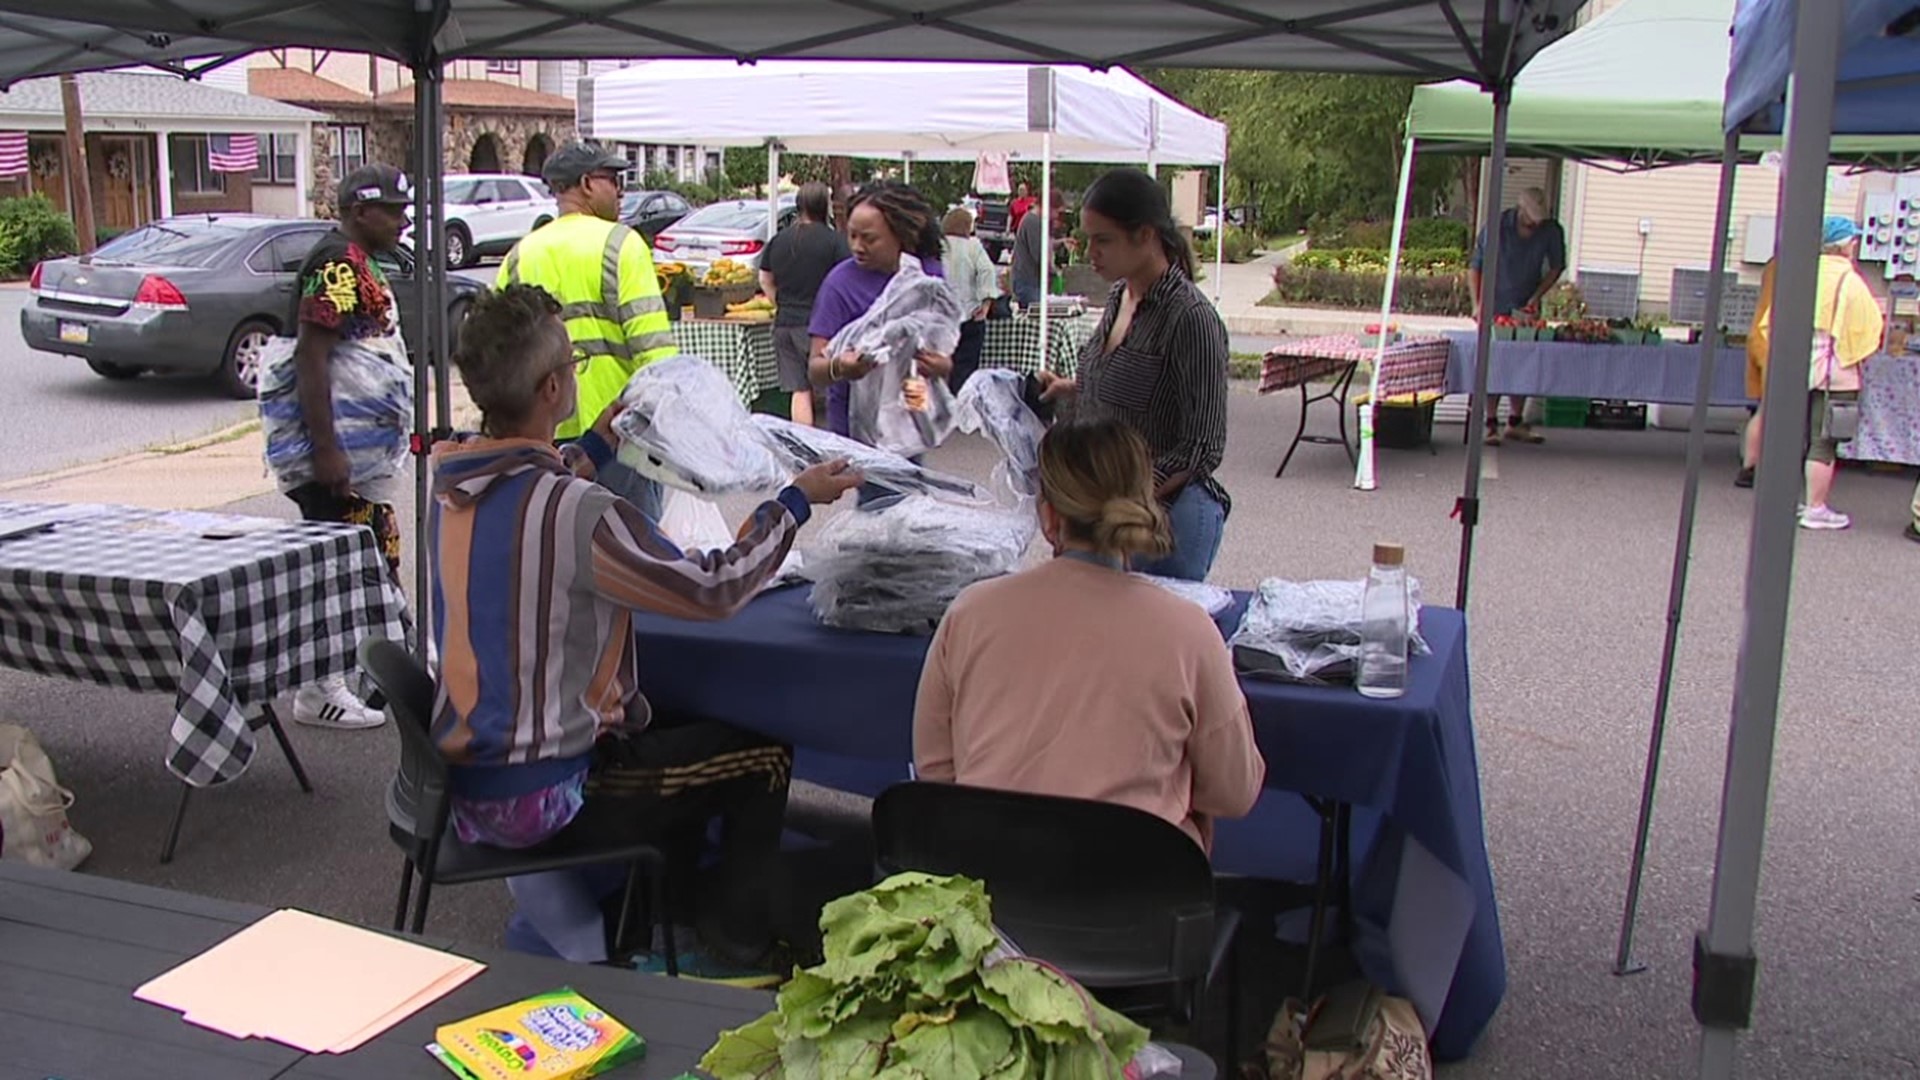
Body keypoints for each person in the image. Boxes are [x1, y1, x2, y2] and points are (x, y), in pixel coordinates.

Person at [430, 284, 861, 973]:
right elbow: (714, 588)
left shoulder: (451, 486)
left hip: (463, 781)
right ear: (551, 388)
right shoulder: (580, 513)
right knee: (762, 752)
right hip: (545, 796)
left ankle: (664, 905)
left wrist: (598, 444)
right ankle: (738, 941)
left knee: (676, 714)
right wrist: (793, 503)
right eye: (570, 363)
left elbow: (530, 481)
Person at [914, 417, 1263, 852]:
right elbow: (1234, 791)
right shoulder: (1190, 632)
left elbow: (936, 771)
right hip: (1137, 898)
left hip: (990, 893)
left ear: (1048, 517)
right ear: (1145, 506)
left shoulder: (971, 612)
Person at [1036, 167, 1230, 583]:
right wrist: (1068, 389)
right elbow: (1117, 388)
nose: (1091, 252)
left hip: (1163, 524)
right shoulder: (1120, 296)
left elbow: (1202, 447)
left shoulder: (1190, 318)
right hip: (1103, 516)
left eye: (1103, 239)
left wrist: (1119, 503)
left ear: (1145, 235)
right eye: (1088, 238)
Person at [273, 163, 414, 729]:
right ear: (360, 211)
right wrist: (326, 448)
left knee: (372, 556)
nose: (404, 222)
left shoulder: (359, 262)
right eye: (394, 211)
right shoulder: (337, 264)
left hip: (364, 450)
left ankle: (383, 661)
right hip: (338, 455)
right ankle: (318, 687)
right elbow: (312, 355)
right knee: (336, 568)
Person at [500, 142, 677, 522]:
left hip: (546, 431)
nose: (621, 191)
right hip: (620, 431)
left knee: (563, 554)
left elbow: (499, 350)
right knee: (637, 558)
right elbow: (655, 353)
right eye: (613, 180)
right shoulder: (621, 243)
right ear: (585, 184)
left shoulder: (520, 254)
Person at [1739, 216, 1884, 530]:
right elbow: (1869, 326)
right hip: (1837, 371)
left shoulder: (1800, 274)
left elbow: (1772, 319)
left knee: (1786, 432)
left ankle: (1779, 499)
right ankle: (1816, 507)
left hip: (1795, 366)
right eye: (1852, 239)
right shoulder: (1850, 280)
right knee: (1823, 440)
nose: (1856, 244)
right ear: (1844, 244)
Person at [808, 179, 953, 440]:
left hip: (909, 419)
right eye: (852, 235)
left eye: (869, 238)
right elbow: (815, 369)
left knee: (910, 480)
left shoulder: (928, 277)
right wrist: (840, 367)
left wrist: (941, 365)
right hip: (856, 428)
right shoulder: (840, 284)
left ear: (902, 236)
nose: (856, 246)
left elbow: (943, 350)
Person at [1469, 186, 1566, 446]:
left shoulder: (1551, 230)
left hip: (1527, 303)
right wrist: (1478, 303)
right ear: (1520, 210)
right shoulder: (1498, 226)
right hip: (1495, 302)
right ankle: (1491, 423)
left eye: (1539, 221)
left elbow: (1557, 265)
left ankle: (1515, 421)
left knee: (1523, 360)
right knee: (1495, 361)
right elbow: (1476, 265)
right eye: (1530, 219)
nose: (1534, 225)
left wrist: (1537, 296)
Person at [759, 181, 849, 428]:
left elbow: (765, 278)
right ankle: (836, 443)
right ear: (825, 206)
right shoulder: (835, 242)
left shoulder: (778, 240)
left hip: (784, 324)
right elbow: (847, 279)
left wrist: (779, 301)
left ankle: (804, 443)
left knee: (799, 390)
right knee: (833, 389)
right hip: (820, 327)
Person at [940, 206, 999, 392]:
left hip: (942, 318)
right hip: (970, 315)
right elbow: (987, 270)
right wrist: (986, 302)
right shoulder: (973, 246)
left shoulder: (938, 245)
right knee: (964, 371)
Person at [1011, 189, 1073, 307]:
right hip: (1028, 283)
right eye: (1056, 211)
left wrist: (1061, 242)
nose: (1056, 216)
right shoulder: (1033, 223)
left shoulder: (1038, 222)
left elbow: (1045, 244)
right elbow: (1040, 255)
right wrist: (1056, 272)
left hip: (1031, 283)